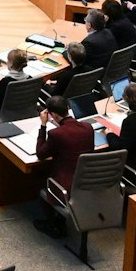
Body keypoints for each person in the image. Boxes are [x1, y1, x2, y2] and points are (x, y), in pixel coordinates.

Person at [31, 95, 93, 236]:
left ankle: (51, 223)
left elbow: (40, 153)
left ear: (54, 115)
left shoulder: (55, 134)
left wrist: (43, 125)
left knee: (38, 175)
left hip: (65, 185)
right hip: (86, 180)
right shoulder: (88, 128)